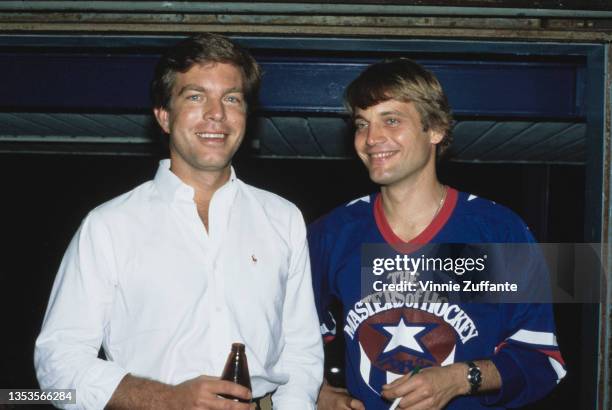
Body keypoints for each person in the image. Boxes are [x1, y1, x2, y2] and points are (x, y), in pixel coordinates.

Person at [35, 33, 323, 410]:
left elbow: (301, 353)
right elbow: (57, 364)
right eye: (195, 96)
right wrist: (166, 398)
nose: (216, 113)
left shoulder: (283, 218)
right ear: (164, 116)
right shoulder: (108, 226)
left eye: (231, 98)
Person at [308, 58, 566, 409]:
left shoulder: (494, 231)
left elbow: (542, 359)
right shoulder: (333, 233)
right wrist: (315, 392)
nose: (371, 139)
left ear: (436, 129)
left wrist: (459, 379)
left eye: (392, 120)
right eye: (361, 124)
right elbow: (288, 337)